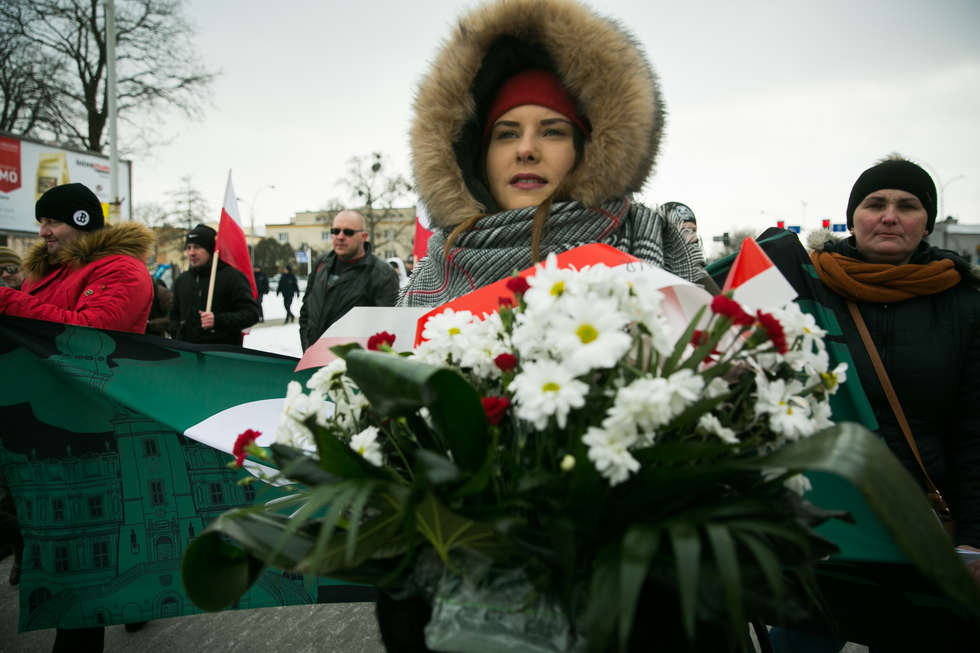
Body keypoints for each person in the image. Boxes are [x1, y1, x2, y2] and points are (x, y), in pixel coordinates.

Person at [750, 156, 980, 652]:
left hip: (922, 525)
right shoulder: (804, 286)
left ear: (928, 221)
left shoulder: (964, 303)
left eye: (908, 205)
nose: (889, 215)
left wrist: (973, 540)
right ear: (852, 217)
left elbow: (975, 431)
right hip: (823, 526)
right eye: (875, 204)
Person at [398, 0, 707, 308]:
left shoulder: (671, 264)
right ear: (478, 156)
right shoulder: (430, 276)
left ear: (588, 151)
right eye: (507, 134)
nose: (526, 150)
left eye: (552, 131)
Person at [0, 182, 154, 651]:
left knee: (88, 560)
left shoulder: (120, 270)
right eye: (41, 222)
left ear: (83, 221)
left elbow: (88, 334)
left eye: (52, 222)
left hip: (92, 430)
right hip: (40, 426)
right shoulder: (46, 273)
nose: (43, 232)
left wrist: (5, 302)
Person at [298, 210, 398, 350]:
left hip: (351, 365)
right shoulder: (322, 263)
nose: (340, 237)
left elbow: (385, 328)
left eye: (348, 232)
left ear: (363, 236)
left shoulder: (382, 273)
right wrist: (308, 347)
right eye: (335, 231)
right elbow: (306, 312)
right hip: (312, 359)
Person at [169, 224, 259, 345]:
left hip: (222, 355)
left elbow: (251, 314)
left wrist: (217, 320)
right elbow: (173, 316)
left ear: (210, 250)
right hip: (188, 355)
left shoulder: (232, 277)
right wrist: (178, 333)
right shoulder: (182, 280)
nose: (192, 253)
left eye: (197, 247)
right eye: (189, 247)